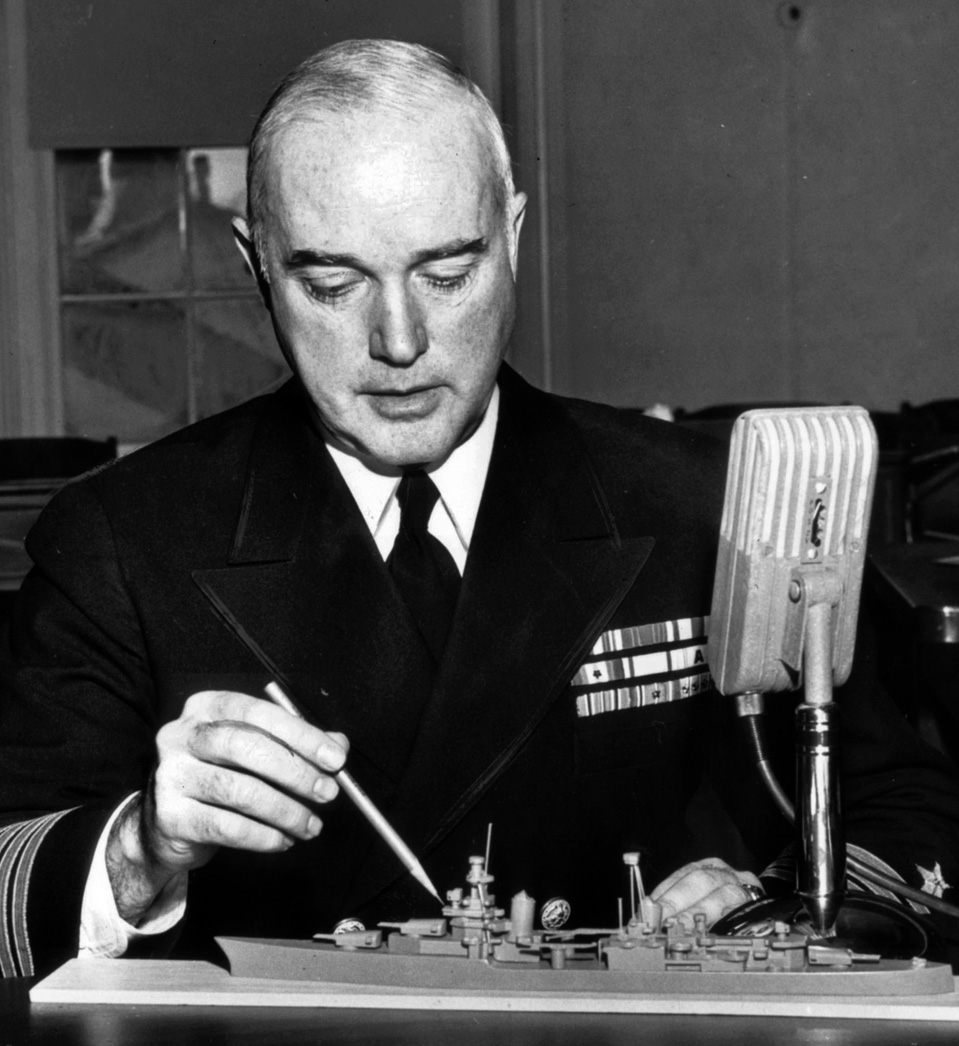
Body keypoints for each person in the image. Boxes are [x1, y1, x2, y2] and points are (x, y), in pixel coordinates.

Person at [2, 39, 958, 979]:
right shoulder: (122, 541)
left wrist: (780, 904)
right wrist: (140, 849)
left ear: (513, 235)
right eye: (332, 285)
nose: (400, 340)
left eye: (447, 275)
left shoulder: (710, 503)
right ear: (257, 265)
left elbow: (917, 811)